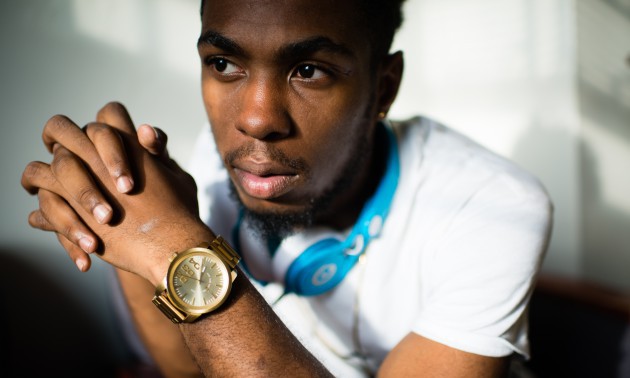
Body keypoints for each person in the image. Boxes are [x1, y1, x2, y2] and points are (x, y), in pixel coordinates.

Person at [21, 0, 553, 377]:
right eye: (224, 64)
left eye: (308, 70)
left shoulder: (492, 207)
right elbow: (187, 371)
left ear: (383, 87)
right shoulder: (223, 161)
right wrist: (118, 211)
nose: (255, 120)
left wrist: (178, 247)